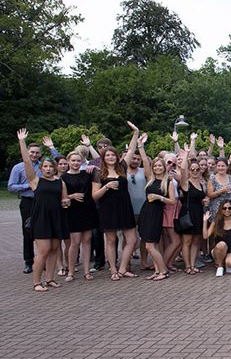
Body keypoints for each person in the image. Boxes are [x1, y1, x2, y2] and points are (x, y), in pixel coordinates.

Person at [15, 129, 69, 291]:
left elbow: (64, 200)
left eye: (50, 166)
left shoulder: (60, 182)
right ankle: (36, 282)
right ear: (41, 168)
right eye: (45, 166)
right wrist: (22, 142)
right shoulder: (35, 181)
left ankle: (49, 279)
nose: (48, 169)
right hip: (41, 218)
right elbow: (27, 163)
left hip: (56, 217)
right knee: (44, 250)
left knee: (54, 249)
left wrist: (66, 202)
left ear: (54, 168)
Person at [92, 122, 140, 281]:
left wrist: (135, 132)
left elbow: (132, 149)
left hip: (124, 207)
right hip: (108, 209)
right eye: (107, 155)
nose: (110, 157)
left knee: (132, 239)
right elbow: (94, 196)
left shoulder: (122, 168)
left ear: (117, 156)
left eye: (113, 155)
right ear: (103, 158)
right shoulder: (99, 174)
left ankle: (123, 267)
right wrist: (106, 187)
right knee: (111, 240)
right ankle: (113, 270)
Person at [137, 157, 177, 281]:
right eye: (155, 166)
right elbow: (144, 161)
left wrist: (159, 197)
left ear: (164, 167)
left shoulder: (168, 182)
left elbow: (172, 201)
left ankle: (163, 270)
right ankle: (157, 270)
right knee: (152, 244)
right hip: (146, 212)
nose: (157, 168)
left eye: (160, 166)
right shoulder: (150, 179)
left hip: (156, 213)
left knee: (149, 246)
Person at [62, 150, 98, 282]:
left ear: (82, 161)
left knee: (87, 240)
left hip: (88, 210)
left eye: (78, 160)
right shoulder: (63, 177)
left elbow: (101, 169)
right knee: (74, 242)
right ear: (68, 162)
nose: (76, 163)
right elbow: (60, 197)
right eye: (73, 160)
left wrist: (94, 166)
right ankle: (70, 271)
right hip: (73, 211)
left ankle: (87, 271)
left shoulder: (87, 174)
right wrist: (71, 196)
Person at [8, 138, 43, 273]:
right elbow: (11, 187)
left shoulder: (43, 166)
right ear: (27, 152)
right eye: (32, 152)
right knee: (27, 231)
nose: (34, 155)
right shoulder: (18, 168)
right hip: (27, 201)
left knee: (42, 231)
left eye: (37, 153)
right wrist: (27, 186)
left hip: (41, 201)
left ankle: (42, 259)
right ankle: (28, 261)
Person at [178, 152, 210, 274]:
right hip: (188, 214)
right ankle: (187, 266)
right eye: (192, 169)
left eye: (197, 169)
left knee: (196, 241)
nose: (195, 171)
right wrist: (186, 154)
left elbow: (200, 199)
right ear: (189, 170)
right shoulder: (186, 183)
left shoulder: (202, 184)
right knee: (187, 241)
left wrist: (204, 201)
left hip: (199, 213)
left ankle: (192, 264)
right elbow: (182, 169)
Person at [203, 202, 231, 277]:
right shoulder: (216, 221)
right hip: (219, 250)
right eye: (224, 208)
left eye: (229, 208)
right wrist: (205, 221)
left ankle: (227, 263)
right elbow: (205, 236)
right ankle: (220, 266)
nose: (227, 210)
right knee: (222, 244)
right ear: (221, 210)